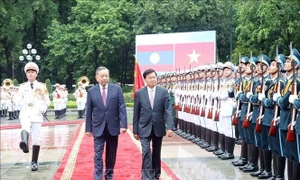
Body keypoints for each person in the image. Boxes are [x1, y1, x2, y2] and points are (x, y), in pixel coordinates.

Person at [85, 66, 127, 180]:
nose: (105, 78)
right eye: (102, 76)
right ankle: (98, 176)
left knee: (111, 154)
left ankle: (109, 175)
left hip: (113, 127)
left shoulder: (117, 89)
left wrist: (123, 125)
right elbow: (88, 111)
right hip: (98, 127)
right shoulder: (91, 91)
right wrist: (88, 128)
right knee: (98, 154)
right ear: (97, 78)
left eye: (106, 76)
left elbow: (122, 107)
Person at [133, 68, 175, 180]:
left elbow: (168, 110)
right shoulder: (139, 93)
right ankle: (147, 176)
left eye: (154, 77)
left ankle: (156, 174)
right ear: (145, 79)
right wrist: (135, 130)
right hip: (143, 127)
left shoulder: (163, 92)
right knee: (146, 151)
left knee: (156, 152)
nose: (153, 80)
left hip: (158, 127)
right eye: (150, 78)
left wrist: (170, 127)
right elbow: (136, 113)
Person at [17, 62, 50, 171]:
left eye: (33, 72)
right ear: (26, 74)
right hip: (26, 111)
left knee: (36, 137)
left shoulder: (42, 86)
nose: (30, 74)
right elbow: (18, 99)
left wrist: (44, 107)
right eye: (29, 72)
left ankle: (34, 162)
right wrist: (18, 102)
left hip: (37, 112)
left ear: (36, 74)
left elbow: (47, 100)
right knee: (25, 126)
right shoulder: (22, 87)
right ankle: (25, 143)